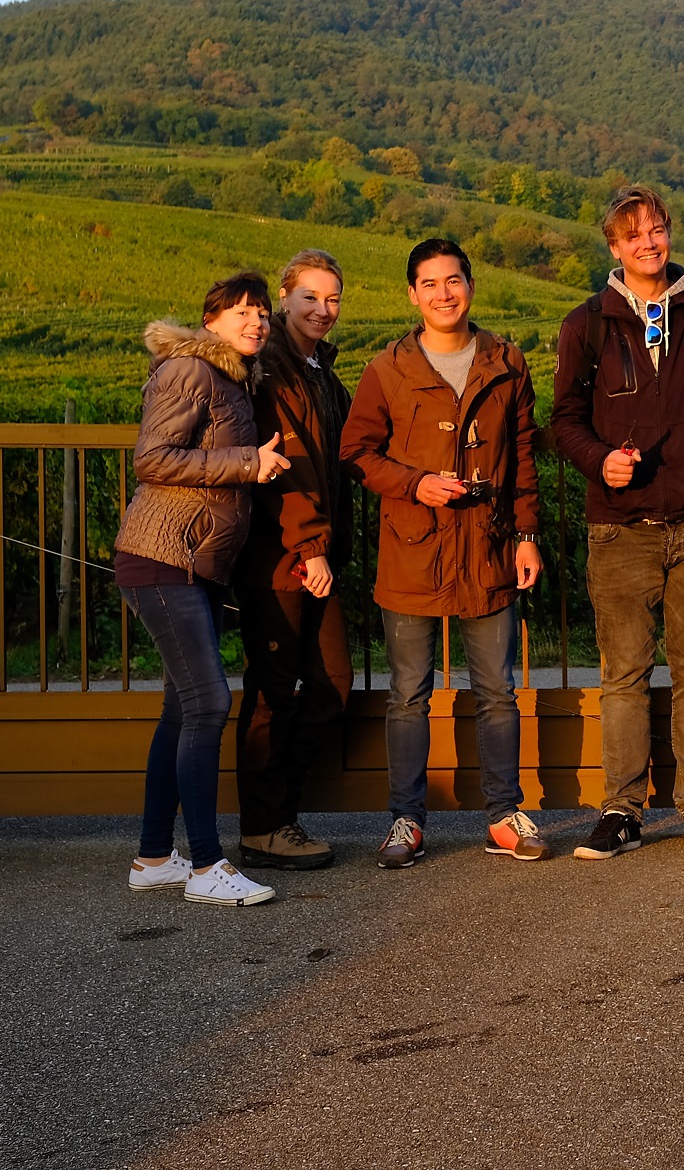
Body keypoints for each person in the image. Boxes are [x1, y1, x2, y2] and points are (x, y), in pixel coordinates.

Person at [551, 186, 684, 861]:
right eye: (633, 234)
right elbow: (564, 422)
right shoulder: (587, 323)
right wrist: (599, 461)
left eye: (657, 230)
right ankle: (622, 808)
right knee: (623, 675)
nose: (648, 243)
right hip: (619, 527)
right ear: (613, 246)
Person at [342, 238, 548, 869]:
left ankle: (504, 815)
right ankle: (406, 820)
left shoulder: (507, 362)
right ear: (412, 294)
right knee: (408, 694)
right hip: (413, 550)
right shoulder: (387, 369)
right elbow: (356, 453)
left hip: (487, 547)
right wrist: (415, 483)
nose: (443, 293)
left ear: (471, 286)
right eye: (430, 283)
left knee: (497, 691)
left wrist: (527, 535)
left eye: (453, 280)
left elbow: (523, 460)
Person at [116, 274, 291, 907]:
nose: (257, 321)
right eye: (242, 311)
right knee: (210, 703)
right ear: (211, 320)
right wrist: (248, 463)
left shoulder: (232, 379)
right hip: (163, 557)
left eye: (263, 312)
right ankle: (207, 868)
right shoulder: (189, 371)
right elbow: (152, 458)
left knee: (181, 708)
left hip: (195, 563)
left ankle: (155, 857)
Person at [232, 249, 354, 872]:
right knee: (273, 690)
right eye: (310, 297)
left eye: (333, 299)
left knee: (332, 686)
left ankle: (280, 813)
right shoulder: (272, 369)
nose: (323, 310)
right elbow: (288, 462)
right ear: (284, 298)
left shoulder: (316, 368)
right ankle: (263, 826)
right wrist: (310, 546)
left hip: (315, 554)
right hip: (281, 554)